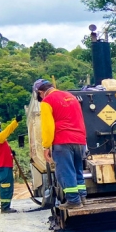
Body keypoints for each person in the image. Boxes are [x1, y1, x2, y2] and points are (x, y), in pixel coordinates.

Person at [34, 79, 88, 209]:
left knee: (65, 172)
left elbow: (47, 127)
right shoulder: (71, 97)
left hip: (63, 141)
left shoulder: (47, 101)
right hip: (79, 140)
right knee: (77, 170)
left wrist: (46, 146)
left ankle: (74, 201)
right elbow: (80, 119)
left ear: (41, 92)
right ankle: (82, 197)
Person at [0, 117, 20, 213]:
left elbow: (2, 152)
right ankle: (5, 208)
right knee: (5, 187)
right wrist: (15, 122)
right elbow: (7, 131)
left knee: (8, 187)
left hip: (5, 166)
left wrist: (10, 153)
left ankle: (6, 206)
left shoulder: (0, 139)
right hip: (2, 167)